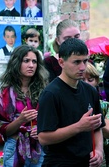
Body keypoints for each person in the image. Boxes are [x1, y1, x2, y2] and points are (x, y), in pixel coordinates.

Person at [37, 38, 105, 166]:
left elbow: (97, 127)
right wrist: (79, 126)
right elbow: (43, 138)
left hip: (87, 162)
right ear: (61, 62)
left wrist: (99, 151)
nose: (82, 67)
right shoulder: (51, 94)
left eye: (85, 61)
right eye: (76, 62)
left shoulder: (90, 91)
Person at [0, 45, 49, 167]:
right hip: (14, 145)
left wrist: (40, 130)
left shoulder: (45, 91)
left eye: (34, 61)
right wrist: (21, 120)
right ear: (16, 62)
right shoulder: (5, 93)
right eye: (26, 61)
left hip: (39, 146)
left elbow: (52, 120)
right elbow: (3, 129)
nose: (31, 65)